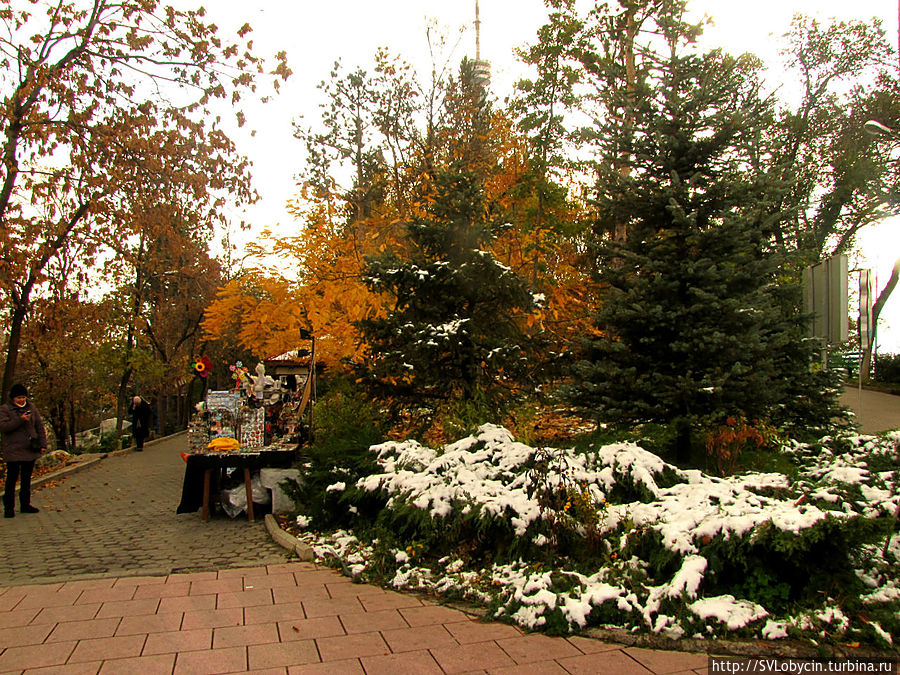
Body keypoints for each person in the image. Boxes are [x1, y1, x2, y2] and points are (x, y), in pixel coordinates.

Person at [0, 383, 47, 518]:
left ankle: (25, 504)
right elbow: (4, 427)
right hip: (13, 449)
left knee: (26, 479)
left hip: (30, 448)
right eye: (18, 398)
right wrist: (20, 420)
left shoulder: (31, 408)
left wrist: (42, 443)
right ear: (13, 398)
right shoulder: (5, 410)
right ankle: (9, 507)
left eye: (23, 397)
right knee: (12, 479)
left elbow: (39, 425)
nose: (21, 400)